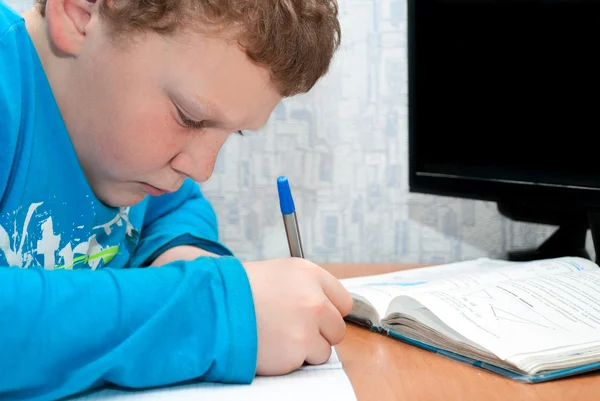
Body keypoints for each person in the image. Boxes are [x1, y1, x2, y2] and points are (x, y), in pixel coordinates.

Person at [0, 0, 353, 399]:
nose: (202, 169)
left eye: (232, 133)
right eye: (189, 118)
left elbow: (177, 208)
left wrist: (179, 253)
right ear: (82, 13)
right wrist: (211, 313)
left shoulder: (136, 166)